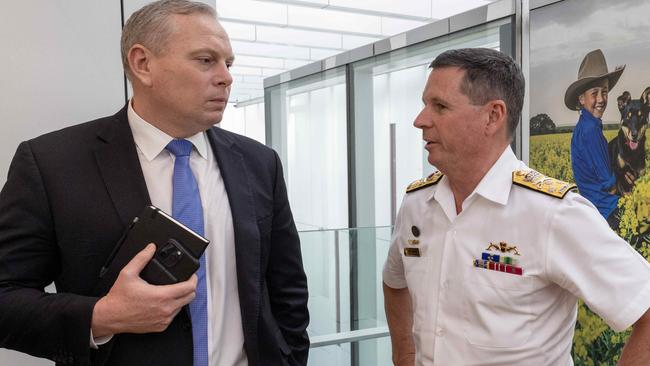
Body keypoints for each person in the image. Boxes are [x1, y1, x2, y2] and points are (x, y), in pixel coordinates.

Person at [0, 1, 309, 365]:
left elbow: (287, 291)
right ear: (142, 64)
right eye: (206, 60)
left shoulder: (259, 163)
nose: (226, 77)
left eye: (229, 63)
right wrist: (101, 316)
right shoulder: (53, 164)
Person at [382, 48, 650, 365]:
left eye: (439, 106)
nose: (419, 120)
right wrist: (405, 355)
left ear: (493, 116)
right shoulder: (417, 205)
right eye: (424, 104)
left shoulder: (553, 214)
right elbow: (394, 282)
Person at [566, 49, 628, 227]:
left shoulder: (584, 128)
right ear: (581, 99)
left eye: (605, 92)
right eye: (594, 93)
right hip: (608, 212)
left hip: (596, 213)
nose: (601, 99)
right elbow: (609, 184)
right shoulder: (590, 131)